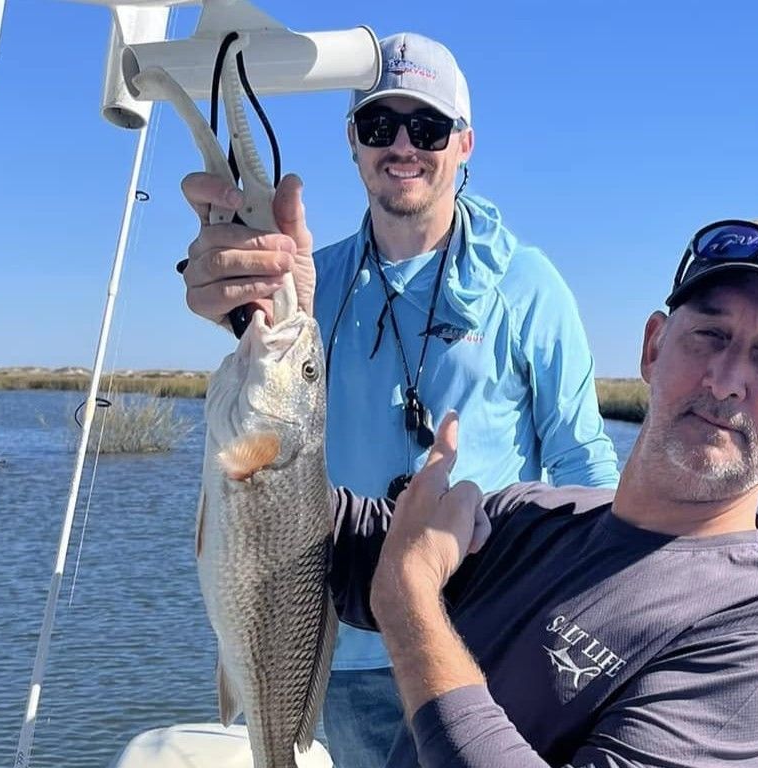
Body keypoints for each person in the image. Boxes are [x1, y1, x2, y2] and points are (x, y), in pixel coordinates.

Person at [178, 32, 621, 767]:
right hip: (336, 643)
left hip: (482, 645)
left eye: (429, 126)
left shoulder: (528, 285)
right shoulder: (308, 284)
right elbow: (256, 413)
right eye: (381, 125)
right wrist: (229, 283)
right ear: (353, 141)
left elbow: (579, 455)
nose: (403, 145)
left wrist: (612, 597)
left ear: (466, 143)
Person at [330, 216, 758, 767]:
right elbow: (320, 541)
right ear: (654, 347)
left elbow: (403, 583)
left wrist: (410, 602)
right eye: (710, 335)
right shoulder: (529, 515)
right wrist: (265, 349)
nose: (726, 379)